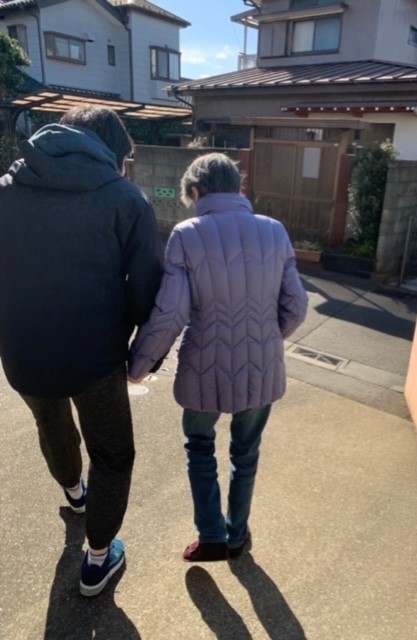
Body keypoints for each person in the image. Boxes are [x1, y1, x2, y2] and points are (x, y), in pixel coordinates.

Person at [0, 106, 162, 595]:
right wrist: (140, 354)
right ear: (112, 150)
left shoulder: (7, 188)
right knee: (112, 453)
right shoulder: (125, 199)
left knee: (50, 425)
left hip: (22, 348)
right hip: (96, 356)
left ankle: (74, 494)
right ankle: (97, 559)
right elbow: (145, 286)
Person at [129, 152, 308, 561]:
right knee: (246, 454)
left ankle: (211, 537)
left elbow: (171, 313)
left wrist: (140, 365)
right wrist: (264, 339)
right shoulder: (275, 230)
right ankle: (237, 534)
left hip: (202, 368)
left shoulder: (186, 234)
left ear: (195, 191)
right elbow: (297, 305)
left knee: (200, 447)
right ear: (238, 187)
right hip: (261, 368)